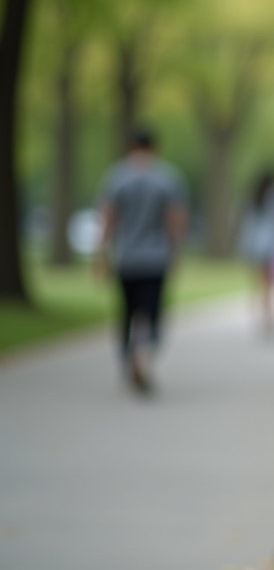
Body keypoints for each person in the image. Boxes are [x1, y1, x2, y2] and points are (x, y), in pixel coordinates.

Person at [94, 128, 188, 394]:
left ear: (130, 146)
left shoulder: (117, 176)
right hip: (156, 258)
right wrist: (176, 253)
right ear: (154, 147)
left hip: (127, 257)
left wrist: (101, 253)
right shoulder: (167, 178)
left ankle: (129, 359)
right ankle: (143, 359)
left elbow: (108, 218)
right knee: (152, 312)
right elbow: (176, 219)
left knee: (128, 312)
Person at [238, 171, 274, 335]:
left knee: (260, 282)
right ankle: (270, 316)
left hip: (254, 242)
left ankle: (263, 315)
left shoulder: (253, 196)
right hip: (270, 243)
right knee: (270, 283)